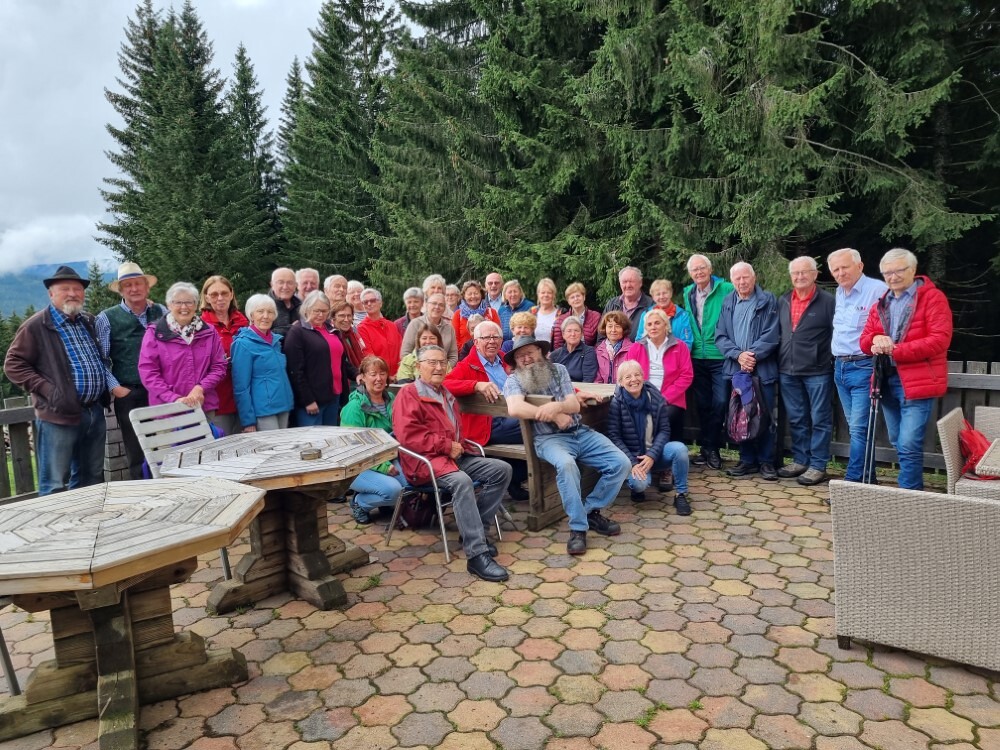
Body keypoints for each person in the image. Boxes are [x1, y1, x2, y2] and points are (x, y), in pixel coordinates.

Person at [393, 345, 513, 582]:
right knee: (462, 482)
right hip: (424, 463)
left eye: (442, 362)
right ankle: (476, 555)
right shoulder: (409, 394)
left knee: (501, 470)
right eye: (432, 362)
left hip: (452, 457)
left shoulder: (445, 391)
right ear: (418, 366)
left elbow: (453, 429)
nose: (438, 367)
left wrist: (458, 446)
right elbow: (409, 437)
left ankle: (476, 531)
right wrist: (446, 446)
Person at [503, 335, 630, 556]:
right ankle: (578, 528)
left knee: (621, 463)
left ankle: (589, 511)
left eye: (529, 352)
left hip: (579, 432)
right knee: (567, 465)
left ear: (541, 353)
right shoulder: (513, 381)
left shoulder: (558, 370)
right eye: (520, 356)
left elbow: (573, 404)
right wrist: (552, 416)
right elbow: (515, 408)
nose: (526, 358)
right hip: (548, 440)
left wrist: (556, 408)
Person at [4, 265, 111, 495]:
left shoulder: (87, 321)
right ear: (51, 294)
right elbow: (13, 365)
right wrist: (49, 391)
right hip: (58, 414)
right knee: (54, 483)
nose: (72, 293)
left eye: (77, 289)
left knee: (92, 476)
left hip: (93, 412)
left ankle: (89, 518)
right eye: (65, 289)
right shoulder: (36, 325)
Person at [860, 248, 953, 490]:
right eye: (887, 273)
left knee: (909, 442)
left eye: (898, 271)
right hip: (886, 380)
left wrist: (895, 350)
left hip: (917, 382)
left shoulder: (932, 298)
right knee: (897, 440)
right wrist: (875, 339)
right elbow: (864, 341)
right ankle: (911, 492)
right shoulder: (882, 303)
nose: (892, 277)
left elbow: (940, 340)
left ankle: (909, 493)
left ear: (912, 270)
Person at [95, 262, 166, 479]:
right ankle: (142, 494)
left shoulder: (161, 311)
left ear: (147, 287)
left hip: (161, 392)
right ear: (120, 290)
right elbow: (101, 358)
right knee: (136, 452)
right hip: (130, 393)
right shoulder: (106, 318)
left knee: (166, 446)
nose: (134, 289)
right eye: (128, 285)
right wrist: (116, 388)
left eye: (138, 284)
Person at [444, 320, 529, 500]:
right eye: (486, 338)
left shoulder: (506, 360)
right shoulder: (467, 365)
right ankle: (515, 479)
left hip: (512, 415)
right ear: (476, 342)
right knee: (534, 426)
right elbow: (445, 384)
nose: (492, 341)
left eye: (496, 337)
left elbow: (537, 378)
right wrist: (475, 385)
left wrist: (574, 392)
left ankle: (515, 478)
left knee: (539, 429)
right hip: (488, 424)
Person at [714, 262, 780, 480]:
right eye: (737, 278)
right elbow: (720, 335)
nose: (742, 282)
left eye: (745, 277)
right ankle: (747, 460)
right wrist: (738, 355)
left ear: (754, 277)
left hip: (762, 370)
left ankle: (767, 462)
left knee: (764, 415)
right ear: (732, 281)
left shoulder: (768, 300)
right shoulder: (727, 302)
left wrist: (751, 356)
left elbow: (772, 334)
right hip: (736, 370)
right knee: (740, 415)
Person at [828, 248, 888, 483]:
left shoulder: (877, 290)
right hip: (840, 368)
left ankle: (852, 484)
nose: (840, 273)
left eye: (845, 267)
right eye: (835, 269)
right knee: (858, 429)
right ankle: (867, 481)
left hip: (863, 367)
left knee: (859, 430)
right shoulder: (839, 292)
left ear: (860, 266)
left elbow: (888, 328)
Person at [777, 257, 836, 485]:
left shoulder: (828, 301)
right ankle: (800, 460)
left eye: (804, 272)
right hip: (787, 370)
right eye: (796, 273)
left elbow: (836, 334)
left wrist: (825, 358)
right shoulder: (783, 300)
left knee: (820, 419)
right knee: (797, 418)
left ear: (815, 274)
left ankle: (818, 465)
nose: (800, 276)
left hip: (817, 371)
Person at [607, 361, 691, 514]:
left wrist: (652, 455)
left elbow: (664, 430)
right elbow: (614, 437)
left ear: (643, 376)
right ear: (620, 382)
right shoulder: (617, 403)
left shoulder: (656, 398)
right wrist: (633, 463)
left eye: (637, 375)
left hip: (655, 454)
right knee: (639, 485)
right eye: (628, 377)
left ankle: (681, 494)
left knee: (680, 449)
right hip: (633, 459)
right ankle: (636, 486)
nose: (634, 379)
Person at [138, 282, 228, 418]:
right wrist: (173, 398)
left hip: (203, 406)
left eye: (189, 302)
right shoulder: (154, 333)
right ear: (169, 305)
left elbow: (219, 367)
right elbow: (148, 372)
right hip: (167, 410)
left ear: (196, 305)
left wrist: (200, 388)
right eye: (178, 302)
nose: (184, 307)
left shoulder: (209, 332)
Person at [341, 356, 408, 524]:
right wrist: (383, 467)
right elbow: (354, 449)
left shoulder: (391, 399)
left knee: (409, 485)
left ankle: (383, 499)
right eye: (373, 374)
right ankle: (360, 503)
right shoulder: (354, 408)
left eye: (382, 373)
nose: (379, 378)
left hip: (388, 457)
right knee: (394, 491)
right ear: (362, 377)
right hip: (357, 465)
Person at [683, 254, 735, 469]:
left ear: (710, 269)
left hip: (719, 355)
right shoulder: (688, 292)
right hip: (696, 356)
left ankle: (712, 447)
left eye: (702, 268)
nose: (699, 272)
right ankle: (708, 449)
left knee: (720, 402)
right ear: (690, 273)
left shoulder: (726, 289)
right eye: (694, 270)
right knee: (703, 404)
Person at [625, 308, 694, 449]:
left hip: (671, 399)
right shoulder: (636, 348)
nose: (653, 327)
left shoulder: (680, 346)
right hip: (641, 397)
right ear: (645, 328)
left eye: (657, 323)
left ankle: (664, 455)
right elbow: (626, 373)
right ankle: (641, 453)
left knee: (662, 415)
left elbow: (686, 376)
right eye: (649, 324)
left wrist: (663, 398)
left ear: (666, 325)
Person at [284, 291, 352, 426]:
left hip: (334, 395)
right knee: (313, 438)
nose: (321, 315)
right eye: (317, 311)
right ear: (307, 309)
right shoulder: (297, 332)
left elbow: (339, 361)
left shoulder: (331, 330)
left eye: (324, 311)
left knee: (330, 436)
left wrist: (356, 373)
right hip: (312, 400)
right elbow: (295, 371)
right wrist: (307, 400)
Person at [230, 294, 294, 431]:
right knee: (272, 445)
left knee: (285, 443)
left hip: (283, 404)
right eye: (260, 311)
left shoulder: (276, 341)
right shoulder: (243, 344)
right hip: (263, 410)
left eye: (270, 312)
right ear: (251, 315)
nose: (266, 316)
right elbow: (241, 386)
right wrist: (248, 420)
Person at [199, 275, 249, 436]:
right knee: (222, 444)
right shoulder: (200, 327)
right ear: (206, 297)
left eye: (224, 293)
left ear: (231, 294)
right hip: (218, 399)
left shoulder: (244, 322)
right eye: (214, 294)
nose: (220, 298)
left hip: (245, 398)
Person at [401, 292, 459, 366]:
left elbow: (453, 356)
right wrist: (421, 369)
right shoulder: (415, 324)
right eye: (434, 303)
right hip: (416, 370)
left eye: (441, 305)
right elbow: (405, 353)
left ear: (444, 309)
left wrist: (444, 368)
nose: (437, 307)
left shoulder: (449, 328)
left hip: (442, 370)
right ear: (427, 305)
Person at [633, 279, 694, 348]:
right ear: (653, 297)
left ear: (671, 293)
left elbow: (687, 342)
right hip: (651, 354)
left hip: (676, 353)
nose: (661, 297)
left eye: (664, 293)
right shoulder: (646, 314)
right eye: (658, 294)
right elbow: (639, 340)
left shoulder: (682, 315)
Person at [357, 288, 403, 378]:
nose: (369, 304)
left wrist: (400, 372)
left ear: (380, 303)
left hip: (398, 376)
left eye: (372, 300)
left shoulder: (392, 325)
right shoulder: (361, 328)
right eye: (365, 302)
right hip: (378, 378)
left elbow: (401, 350)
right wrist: (384, 376)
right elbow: (369, 357)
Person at [452, 280, 502, 351]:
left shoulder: (491, 312)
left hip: (488, 353)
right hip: (465, 354)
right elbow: (454, 340)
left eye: (476, 293)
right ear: (464, 296)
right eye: (469, 294)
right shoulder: (458, 314)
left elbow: (498, 335)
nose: (473, 296)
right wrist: (468, 352)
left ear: (481, 295)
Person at [603, 266, 654, 334]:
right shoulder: (612, 304)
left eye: (632, 281)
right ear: (620, 284)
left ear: (640, 283)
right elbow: (602, 333)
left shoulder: (651, 305)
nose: (628, 285)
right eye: (624, 282)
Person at [552, 282, 601, 348]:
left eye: (578, 296)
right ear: (568, 301)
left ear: (584, 297)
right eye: (572, 297)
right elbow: (558, 345)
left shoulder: (596, 317)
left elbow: (600, 341)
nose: (576, 299)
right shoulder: (561, 320)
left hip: (590, 353)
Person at [549, 317, 598, 382]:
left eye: (576, 331)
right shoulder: (555, 355)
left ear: (582, 334)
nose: (573, 334)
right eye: (569, 331)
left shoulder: (588, 352)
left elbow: (588, 379)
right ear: (563, 334)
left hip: (581, 387)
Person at [594, 311, 633, 385]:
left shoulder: (632, 349)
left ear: (624, 329)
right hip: (603, 390)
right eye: (610, 326)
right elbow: (597, 378)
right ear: (605, 328)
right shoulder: (598, 351)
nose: (613, 330)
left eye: (617, 326)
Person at [332, 301, 367, 370]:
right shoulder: (331, 337)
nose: (346, 319)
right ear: (333, 318)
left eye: (349, 315)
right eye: (342, 316)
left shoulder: (354, 334)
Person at [268, 267, 301, 337]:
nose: (285, 287)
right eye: (281, 282)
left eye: (290, 283)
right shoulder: (263, 306)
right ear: (272, 285)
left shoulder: (303, 307)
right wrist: (291, 328)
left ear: (295, 285)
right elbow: (261, 335)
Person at [530, 278, 563, 344]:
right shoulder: (531, 312)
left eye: (549, 292)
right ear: (538, 294)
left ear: (553, 295)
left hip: (555, 350)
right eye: (543, 292)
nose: (546, 295)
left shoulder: (561, 314)